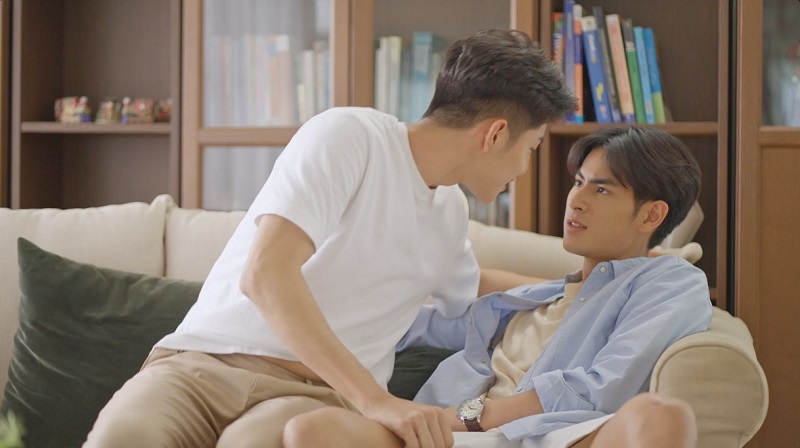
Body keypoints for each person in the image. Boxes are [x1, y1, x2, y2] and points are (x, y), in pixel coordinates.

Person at [83, 29, 574, 448]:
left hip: (313, 396)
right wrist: (377, 401)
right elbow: (266, 273)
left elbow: (474, 288)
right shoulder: (349, 136)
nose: (523, 169)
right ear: (494, 135)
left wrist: (583, 285)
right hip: (202, 365)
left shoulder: (449, 212)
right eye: (531, 148)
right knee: (121, 438)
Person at [281, 126, 712, 448]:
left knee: (661, 416)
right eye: (579, 182)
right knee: (311, 430)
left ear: (652, 216)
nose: (576, 201)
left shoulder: (669, 281)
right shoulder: (533, 300)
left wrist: (469, 417)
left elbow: (603, 386)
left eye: (602, 190)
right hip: (448, 434)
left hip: (549, 435)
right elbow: (408, 325)